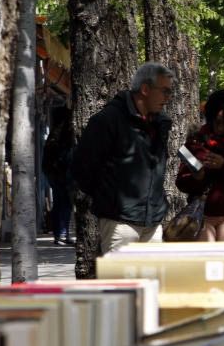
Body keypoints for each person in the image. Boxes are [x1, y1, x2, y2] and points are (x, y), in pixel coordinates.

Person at [72, 62, 174, 254]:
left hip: (152, 222)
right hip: (119, 223)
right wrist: (112, 199)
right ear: (145, 89)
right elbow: (82, 168)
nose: (168, 98)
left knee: (153, 284)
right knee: (121, 284)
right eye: (165, 91)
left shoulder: (160, 123)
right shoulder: (108, 120)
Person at [175, 88, 224, 242]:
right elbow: (181, 182)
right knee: (206, 263)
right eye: (217, 122)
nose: (220, 128)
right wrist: (198, 177)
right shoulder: (196, 140)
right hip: (201, 216)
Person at [43, 107, 75, 246]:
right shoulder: (65, 135)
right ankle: (62, 233)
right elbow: (66, 156)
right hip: (62, 174)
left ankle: (61, 234)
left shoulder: (52, 137)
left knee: (59, 204)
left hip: (54, 174)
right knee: (65, 204)